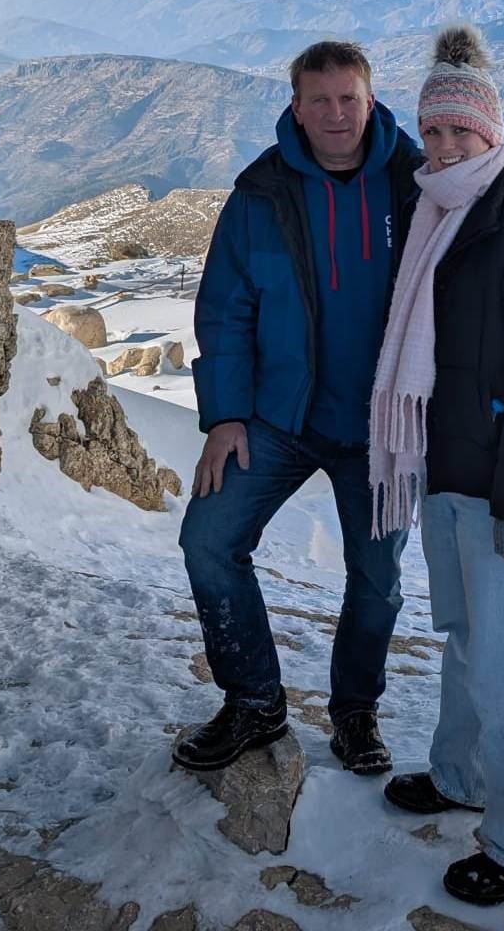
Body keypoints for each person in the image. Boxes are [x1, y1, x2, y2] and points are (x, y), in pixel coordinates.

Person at [369, 26, 504, 905]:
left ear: (492, 134)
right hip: (450, 471)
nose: (447, 146)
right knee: (466, 639)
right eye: (434, 132)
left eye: (463, 132)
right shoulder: (435, 214)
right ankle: (459, 775)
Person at [172, 42, 423, 776]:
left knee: (376, 580)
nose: (335, 114)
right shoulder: (262, 192)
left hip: (381, 430)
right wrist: (224, 416)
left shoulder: (414, 185)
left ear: (370, 102)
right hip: (277, 420)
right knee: (209, 540)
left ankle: (354, 712)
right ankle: (254, 702)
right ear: (295, 107)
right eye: (320, 100)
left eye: (348, 98)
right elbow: (224, 309)